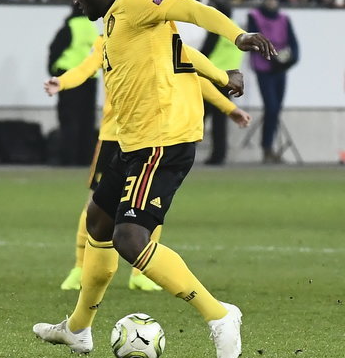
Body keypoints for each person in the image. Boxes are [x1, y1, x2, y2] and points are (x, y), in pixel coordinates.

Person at [34, 0, 275, 358]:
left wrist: (237, 37)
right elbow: (180, 53)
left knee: (129, 238)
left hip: (161, 143)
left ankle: (220, 315)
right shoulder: (115, 21)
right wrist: (222, 78)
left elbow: (190, 9)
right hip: (133, 144)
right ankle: (78, 327)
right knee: (97, 221)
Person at [48, 36, 252, 292]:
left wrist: (227, 107)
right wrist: (62, 82)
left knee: (150, 204)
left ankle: (140, 273)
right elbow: (86, 68)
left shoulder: (160, 42)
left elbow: (193, 75)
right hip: (114, 135)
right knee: (96, 204)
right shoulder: (107, 41)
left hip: (150, 136)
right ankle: (80, 268)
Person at [248, 0, 300, 163]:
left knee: (276, 108)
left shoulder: (284, 19)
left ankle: (270, 145)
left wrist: (291, 59)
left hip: (280, 68)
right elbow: (254, 41)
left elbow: (293, 42)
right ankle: (267, 146)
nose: (271, 2)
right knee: (270, 106)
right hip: (264, 67)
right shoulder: (255, 16)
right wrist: (273, 57)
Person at [47, 3, 98, 166]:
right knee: (87, 119)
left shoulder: (70, 26)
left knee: (69, 118)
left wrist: (52, 69)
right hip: (90, 79)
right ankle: (85, 158)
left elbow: (55, 49)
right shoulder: (92, 27)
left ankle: (68, 158)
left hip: (69, 76)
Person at [200, 0, 246, 165]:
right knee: (221, 119)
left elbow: (205, 52)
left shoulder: (217, 28)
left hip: (213, 77)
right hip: (230, 79)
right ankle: (219, 154)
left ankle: (184, 151)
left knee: (199, 116)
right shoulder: (237, 30)